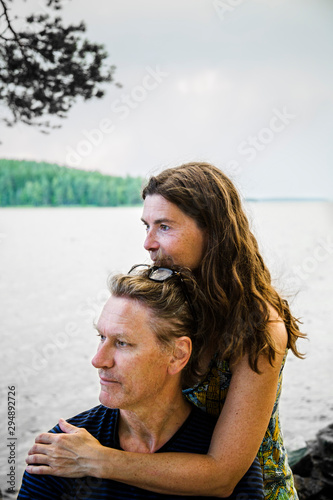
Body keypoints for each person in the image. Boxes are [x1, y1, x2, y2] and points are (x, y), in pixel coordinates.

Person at [25, 162, 306, 499]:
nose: (147, 242)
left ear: (212, 230)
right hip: (166, 475)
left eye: (164, 227)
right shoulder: (180, 298)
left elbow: (223, 475)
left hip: (248, 490)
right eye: (146, 225)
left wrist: (98, 459)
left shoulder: (259, 326)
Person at [18, 265, 264, 499]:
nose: (98, 360)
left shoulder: (224, 463)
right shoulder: (63, 450)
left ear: (177, 355)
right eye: (101, 337)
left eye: (122, 343)